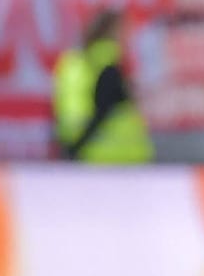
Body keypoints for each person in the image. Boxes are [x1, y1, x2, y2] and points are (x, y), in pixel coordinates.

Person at [52, 10, 152, 164]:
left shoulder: (75, 61)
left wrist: (72, 148)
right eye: (126, 31)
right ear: (113, 31)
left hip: (90, 155)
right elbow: (102, 111)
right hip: (113, 157)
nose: (129, 37)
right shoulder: (107, 67)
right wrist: (77, 146)